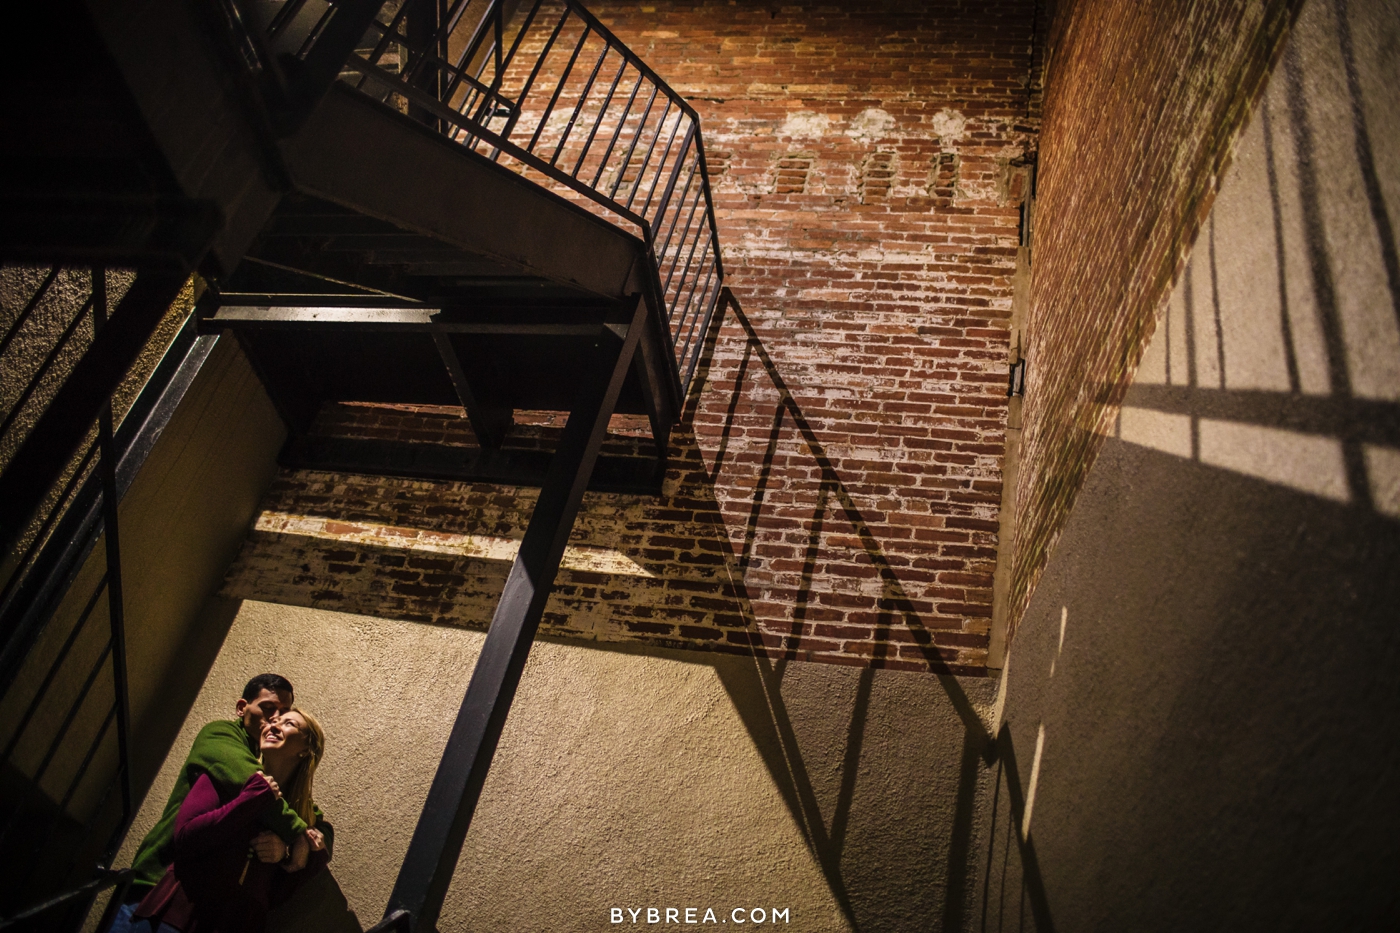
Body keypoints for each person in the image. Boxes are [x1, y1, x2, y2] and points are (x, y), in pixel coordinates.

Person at [108, 675, 332, 933]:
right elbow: (253, 783)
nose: (274, 720)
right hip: (161, 881)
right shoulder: (222, 736)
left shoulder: (290, 794)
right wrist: (296, 834)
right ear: (242, 708)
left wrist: (291, 848)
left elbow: (319, 829)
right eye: (269, 710)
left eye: (285, 714)